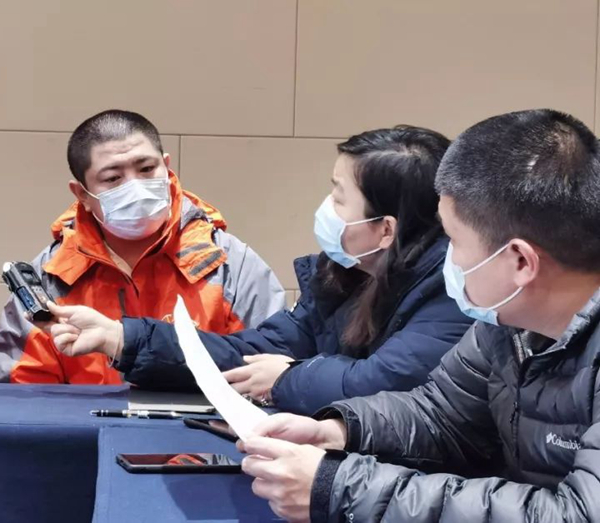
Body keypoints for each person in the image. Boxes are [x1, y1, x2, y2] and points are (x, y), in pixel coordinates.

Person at [239, 109, 600, 522]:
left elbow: (576, 515)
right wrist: (338, 431)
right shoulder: (506, 322)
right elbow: (440, 413)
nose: (447, 259)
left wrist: (340, 487)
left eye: (454, 240)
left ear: (520, 261)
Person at [48, 125, 473, 414]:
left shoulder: (453, 291)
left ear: (385, 229)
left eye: (339, 197)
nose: (326, 208)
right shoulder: (344, 276)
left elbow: (382, 384)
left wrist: (287, 379)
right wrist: (123, 338)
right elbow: (252, 352)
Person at [0, 109, 284, 384]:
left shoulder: (230, 266)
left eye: (147, 168)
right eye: (113, 178)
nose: (135, 186)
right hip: (81, 425)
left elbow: (270, 372)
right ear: (82, 194)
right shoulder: (50, 279)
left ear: (167, 167)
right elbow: (21, 396)